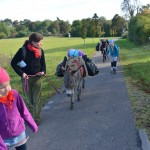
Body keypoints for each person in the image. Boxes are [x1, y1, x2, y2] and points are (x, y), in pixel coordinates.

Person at [11, 32, 46, 125]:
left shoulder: (41, 51)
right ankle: (33, 112)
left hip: (37, 78)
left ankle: (36, 119)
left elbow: (43, 64)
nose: (40, 44)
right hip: (26, 79)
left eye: (41, 42)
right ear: (32, 42)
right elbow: (13, 63)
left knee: (37, 99)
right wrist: (22, 73)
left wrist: (43, 71)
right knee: (30, 99)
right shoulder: (22, 51)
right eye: (38, 42)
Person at [0, 67, 38, 150]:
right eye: (2, 87)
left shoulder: (14, 94)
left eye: (8, 84)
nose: (7, 89)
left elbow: (24, 111)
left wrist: (32, 124)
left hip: (19, 134)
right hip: (4, 139)